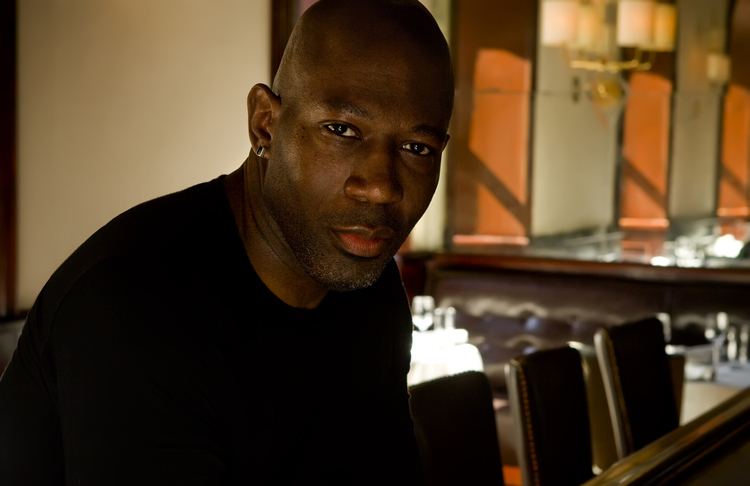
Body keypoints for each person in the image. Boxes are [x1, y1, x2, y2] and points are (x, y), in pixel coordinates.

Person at [0, 0, 454, 484]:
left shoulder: (369, 287)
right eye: (341, 130)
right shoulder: (135, 305)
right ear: (265, 124)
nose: (381, 186)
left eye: (417, 148)